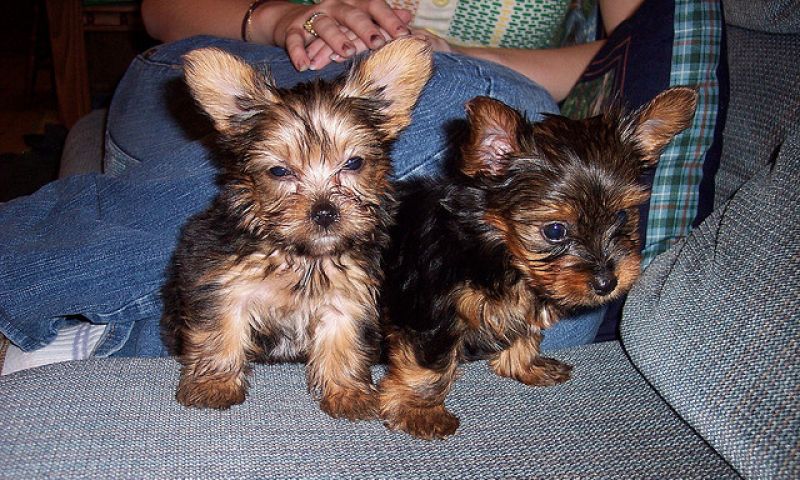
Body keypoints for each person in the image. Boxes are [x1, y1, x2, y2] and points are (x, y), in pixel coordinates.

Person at [0, 0, 641, 366]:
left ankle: (115, 332)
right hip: (253, 56)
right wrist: (280, 17)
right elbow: (165, 9)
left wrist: (481, 62)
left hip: (472, 92)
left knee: (553, 321)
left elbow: (640, 41)